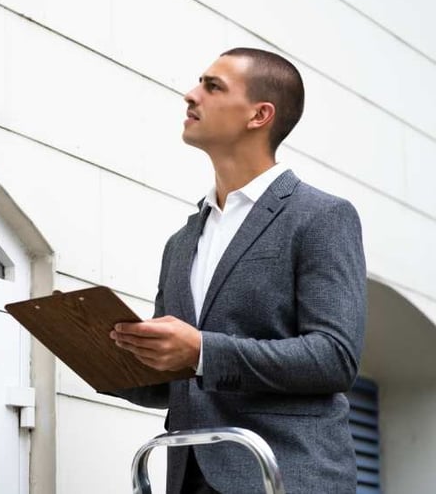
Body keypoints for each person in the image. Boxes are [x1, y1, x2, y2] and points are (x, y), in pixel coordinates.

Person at [109, 48, 366, 493]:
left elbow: (334, 357)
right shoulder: (182, 242)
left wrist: (203, 351)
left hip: (283, 474)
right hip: (188, 475)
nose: (191, 96)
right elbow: (176, 380)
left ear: (259, 115)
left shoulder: (321, 216)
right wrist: (104, 357)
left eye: (212, 87)